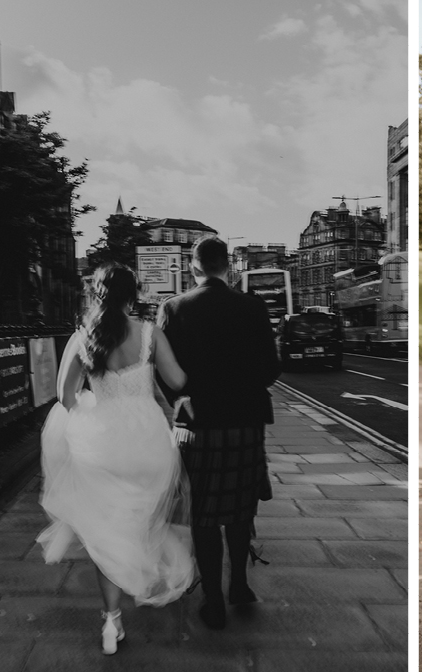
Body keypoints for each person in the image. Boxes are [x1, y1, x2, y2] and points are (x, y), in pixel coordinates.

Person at [37, 263, 194, 655]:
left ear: (97, 293)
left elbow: (65, 396)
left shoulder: (85, 336)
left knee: (107, 531)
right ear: (132, 295)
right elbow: (177, 381)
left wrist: (97, 407)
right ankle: (140, 576)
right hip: (147, 442)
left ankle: (111, 619)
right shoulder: (149, 334)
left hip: (103, 443)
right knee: (141, 520)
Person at [157, 235, 281, 631]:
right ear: (228, 267)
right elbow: (271, 369)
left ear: (193, 267)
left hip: (198, 426)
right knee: (241, 508)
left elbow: (163, 371)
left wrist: (182, 399)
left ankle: (213, 603)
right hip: (245, 424)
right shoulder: (252, 307)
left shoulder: (173, 308)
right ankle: (239, 585)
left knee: (204, 515)